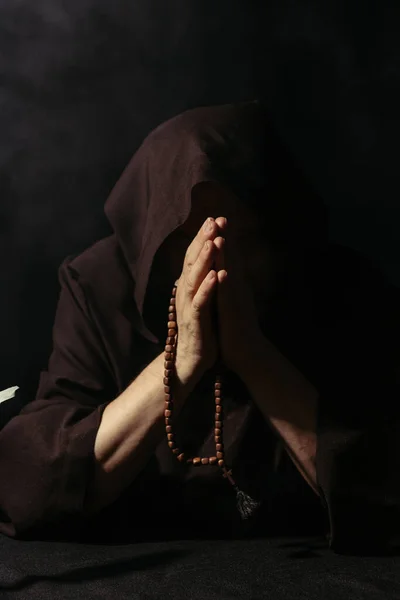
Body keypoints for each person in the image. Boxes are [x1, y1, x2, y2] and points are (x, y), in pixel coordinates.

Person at [0, 101, 399, 554]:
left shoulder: (342, 285)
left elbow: (385, 491)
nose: (215, 264)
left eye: (241, 241)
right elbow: (28, 483)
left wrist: (251, 352)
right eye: (187, 243)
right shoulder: (99, 287)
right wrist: (180, 360)